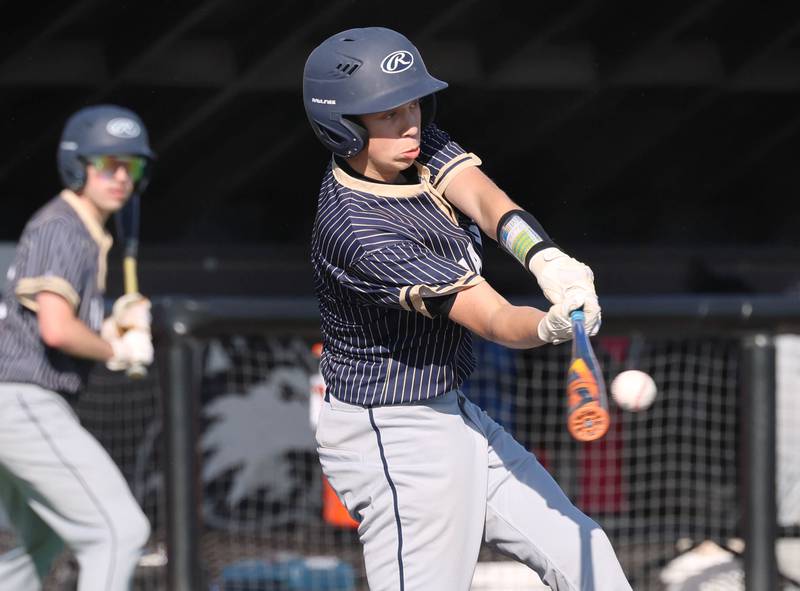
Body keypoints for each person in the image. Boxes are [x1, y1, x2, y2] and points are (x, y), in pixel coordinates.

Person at [303, 27, 631, 590]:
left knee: (585, 555)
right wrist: (552, 324)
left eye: (412, 104)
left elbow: (482, 197)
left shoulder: (412, 145)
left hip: (451, 411)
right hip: (393, 434)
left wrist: (545, 257)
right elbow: (495, 320)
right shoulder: (360, 232)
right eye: (386, 113)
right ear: (342, 126)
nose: (409, 123)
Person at [0, 105, 156, 590]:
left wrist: (111, 322)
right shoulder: (63, 225)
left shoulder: (82, 230)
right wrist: (117, 347)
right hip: (21, 398)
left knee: (39, 542)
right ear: (77, 165)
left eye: (131, 165)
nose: (121, 176)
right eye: (106, 163)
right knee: (120, 531)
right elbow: (56, 330)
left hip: (21, 401)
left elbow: (60, 322)